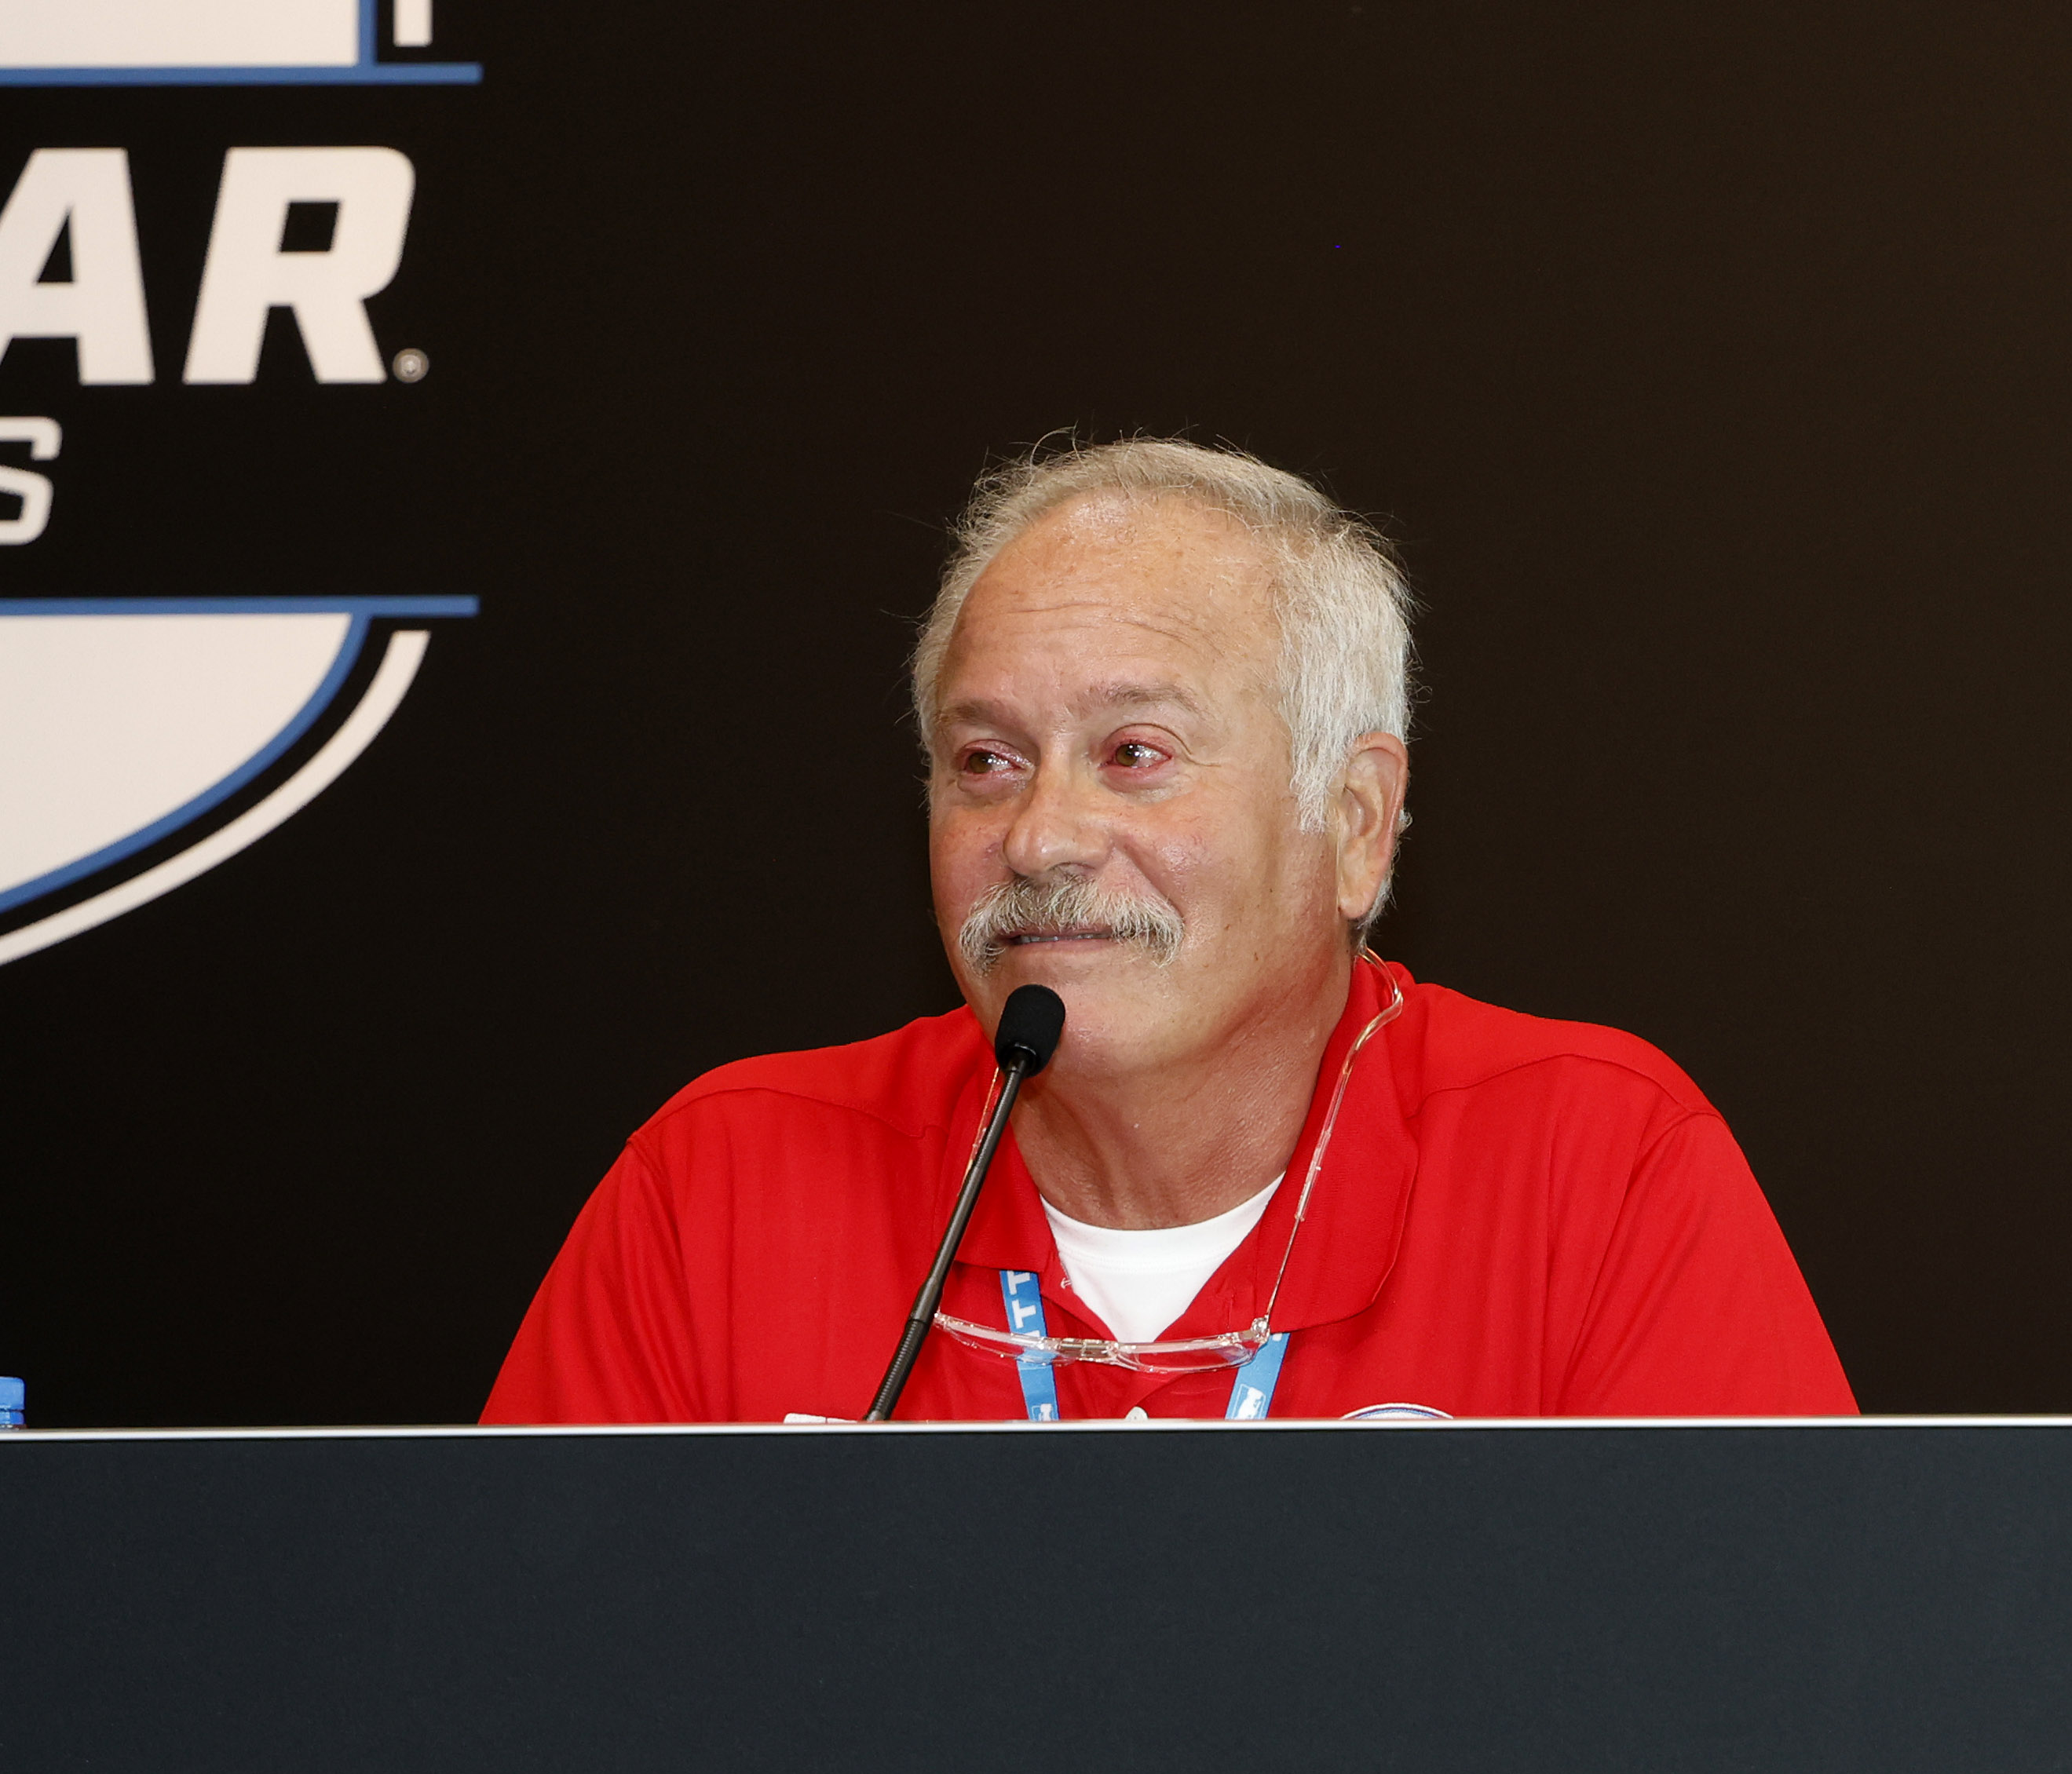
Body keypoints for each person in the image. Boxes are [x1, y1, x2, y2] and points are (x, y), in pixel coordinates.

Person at [489, 439, 1853, 1424]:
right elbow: (518, 1725)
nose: (1040, 837)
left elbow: (1765, 1732)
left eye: (1134, 752)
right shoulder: (721, 1183)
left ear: (1358, 822)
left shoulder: (1597, 1168)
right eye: (986, 761)